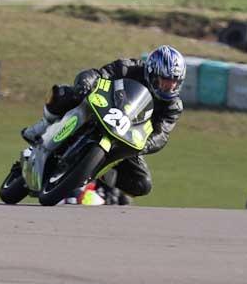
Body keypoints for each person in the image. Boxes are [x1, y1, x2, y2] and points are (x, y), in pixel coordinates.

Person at [22, 44, 186, 203]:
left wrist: (146, 144)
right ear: (151, 72)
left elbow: (162, 134)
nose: (169, 86)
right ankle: (44, 125)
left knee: (142, 184)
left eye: (174, 82)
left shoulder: (173, 106)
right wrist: (88, 81)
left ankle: (99, 174)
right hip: (103, 107)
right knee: (66, 92)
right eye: (165, 80)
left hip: (128, 135)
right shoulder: (129, 67)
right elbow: (101, 74)